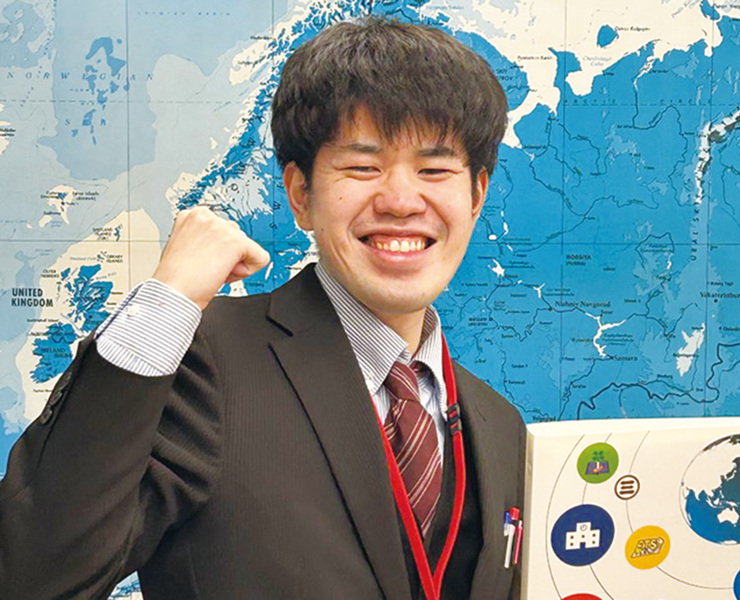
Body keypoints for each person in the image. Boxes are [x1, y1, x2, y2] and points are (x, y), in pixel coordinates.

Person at [0, 17, 526, 600]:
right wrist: (165, 304)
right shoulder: (204, 361)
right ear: (300, 195)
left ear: (476, 195)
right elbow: (35, 574)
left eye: (434, 169)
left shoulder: (501, 426)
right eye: (362, 166)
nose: (402, 201)